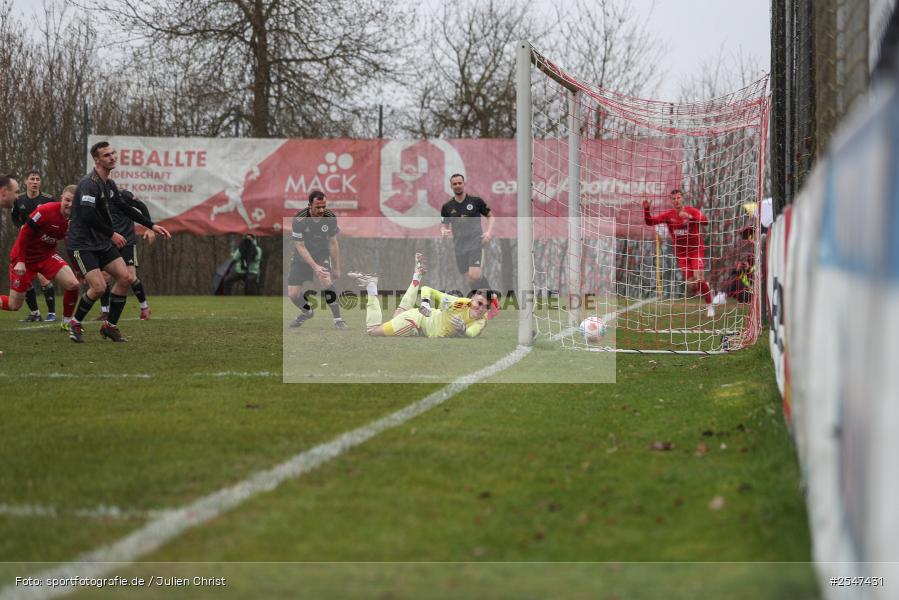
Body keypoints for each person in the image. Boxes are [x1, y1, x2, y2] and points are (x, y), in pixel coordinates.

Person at [66, 141, 171, 343]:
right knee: (98, 287)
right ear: (97, 160)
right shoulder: (89, 183)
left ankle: (110, 326)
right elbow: (87, 215)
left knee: (125, 278)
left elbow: (124, 208)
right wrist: (111, 233)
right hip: (83, 244)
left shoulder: (109, 184)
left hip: (102, 242)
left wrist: (151, 225)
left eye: (113, 153)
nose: (112, 157)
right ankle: (75, 323)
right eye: (106, 155)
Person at [352, 253, 490, 338]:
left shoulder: (482, 320)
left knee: (397, 314)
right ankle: (371, 287)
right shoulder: (459, 304)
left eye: (486, 306)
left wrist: (464, 330)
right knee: (373, 331)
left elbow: (472, 333)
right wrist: (425, 302)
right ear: (472, 300)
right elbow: (428, 290)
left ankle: (416, 275)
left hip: (420, 325)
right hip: (415, 321)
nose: (481, 308)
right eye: (479, 303)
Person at [0, 186, 80, 325]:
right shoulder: (46, 211)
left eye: (74, 202)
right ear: (62, 198)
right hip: (24, 258)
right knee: (14, 305)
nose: (70, 205)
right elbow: (24, 232)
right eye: (67, 200)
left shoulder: (77, 218)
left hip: (46, 257)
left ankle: (67, 323)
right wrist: (21, 261)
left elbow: (72, 244)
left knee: (73, 284)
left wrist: (78, 268)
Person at [643, 189, 717, 317]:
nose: (676, 201)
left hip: (696, 250)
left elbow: (705, 221)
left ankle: (709, 306)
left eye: (678, 198)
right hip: (682, 254)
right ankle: (707, 288)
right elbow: (650, 222)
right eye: (673, 199)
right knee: (692, 285)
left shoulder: (691, 210)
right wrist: (646, 209)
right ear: (671, 201)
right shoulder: (668, 215)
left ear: (682, 199)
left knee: (699, 279)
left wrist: (690, 217)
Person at [286, 190, 347, 330]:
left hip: (321, 254)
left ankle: (338, 320)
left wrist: (337, 268)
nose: (321, 210)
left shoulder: (330, 217)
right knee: (293, 294)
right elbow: (300, 246)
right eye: (318, 207)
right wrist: (314, 266)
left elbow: (333, 242)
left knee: (326, 279)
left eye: (323, 206)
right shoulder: (299, 220)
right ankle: (308, 312)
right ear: (309, 205)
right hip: (302, 257)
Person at [97, 189, 157, 321]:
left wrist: (149, 228)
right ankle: (105, 311)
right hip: (110, 241)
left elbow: (141, 206)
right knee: (103, 276)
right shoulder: (97, 196)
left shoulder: (123, 194)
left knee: (130, 276)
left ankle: (145, 307)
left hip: (127, 242)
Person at [440, 173, 497, 299]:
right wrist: (444, 231)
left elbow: (491, 217)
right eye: (455, 184)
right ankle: (483, 302)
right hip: (459, 246)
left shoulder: (476, 201)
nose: (457, 185)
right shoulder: (447, 207)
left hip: (475, 243)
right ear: (451, 186)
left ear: (464, 184)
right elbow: (444, 225)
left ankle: (492, 298)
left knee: (475, 275)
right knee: (470, 280)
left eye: (460, 183)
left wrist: (488, 232)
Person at [13, 170, 57, 322]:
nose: (35, 182)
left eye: (38, 179)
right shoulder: (18, 200)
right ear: (25, 181)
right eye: (32, 179)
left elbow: (56, 217)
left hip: (42, 244)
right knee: (25, 279)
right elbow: (15, 218)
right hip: (25, 243)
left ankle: (51, 313)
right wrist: (20, 226)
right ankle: (35, 313)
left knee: (43, 278)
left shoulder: (48, 199)